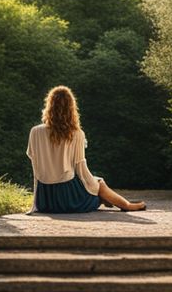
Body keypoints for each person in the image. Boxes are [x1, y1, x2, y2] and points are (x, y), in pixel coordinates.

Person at [26, 85, 145, 213]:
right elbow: (81, 169)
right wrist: (97, 187)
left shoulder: (35, 132)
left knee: (96, 185)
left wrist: (36, 202)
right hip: (68, 200)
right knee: (99, 183)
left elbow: (35, 165)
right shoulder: (76, 133)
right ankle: (126, 205)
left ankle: (110, 199)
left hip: (45, 201)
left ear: (49, 106)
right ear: (71, 108)